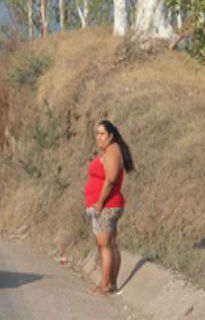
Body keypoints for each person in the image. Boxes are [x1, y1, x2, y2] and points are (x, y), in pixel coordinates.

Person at [84, 120, 134, 295]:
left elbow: (111, 179)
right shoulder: (111, 151)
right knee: (110, 245)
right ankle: (111, 283)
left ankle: (104, 285)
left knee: (104, 245)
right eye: (97, 133)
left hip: (107, 205)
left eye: (102, 133)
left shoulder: (112, 152)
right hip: (108, 205)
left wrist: (99, 202)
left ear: (111, 135)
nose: (99, 137)